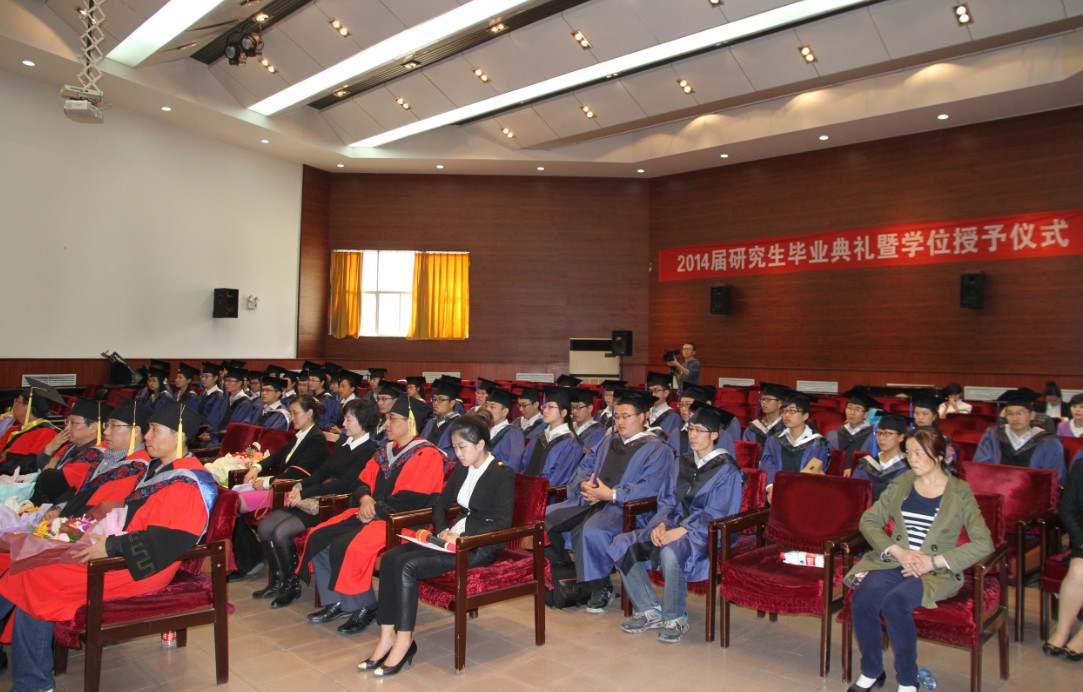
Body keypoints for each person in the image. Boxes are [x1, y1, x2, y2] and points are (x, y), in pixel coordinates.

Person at [0, 400, 218, 692]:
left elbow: (170, 540)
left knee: (35, 575)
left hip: (141, 567)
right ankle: (33, 680)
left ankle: (34, 684)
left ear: (178, 436)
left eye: (154, 430)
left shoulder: (188, 480)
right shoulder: (162, 468)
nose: (147, 436)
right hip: (124, 553)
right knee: (28, 565)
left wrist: (112, 547)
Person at [362, 415, 515, 676]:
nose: (457, 454)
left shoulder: (501, 474)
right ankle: (386, 637)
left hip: (476, 547)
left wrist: (463, 538)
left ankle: (404, 641)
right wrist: (443, 528)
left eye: (462, 447)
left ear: (480, 444)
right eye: (454, 447)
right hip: (451, 538)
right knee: (390, 558)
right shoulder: (463, 468)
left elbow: (503, 524)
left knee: (407, 566)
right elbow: (440, 503)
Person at [844, 427, 993, 692]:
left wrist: (933, 562)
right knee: (863, 599)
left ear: (939, 456)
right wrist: (896, 551)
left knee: (895, 603)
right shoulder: (903, 483)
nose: (912, 459)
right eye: (909, 453)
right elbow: (869, 520)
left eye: (919, 453)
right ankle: (872, 670)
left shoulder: (959, 492)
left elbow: (984, 543)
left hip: (936, 570)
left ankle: (907, 679)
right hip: (897, 560)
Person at [300, 395, 444, 635]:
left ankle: (366, 607)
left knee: (348, 545)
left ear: (410, 422)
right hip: (371, 513)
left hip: (401, 522)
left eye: (392, 419)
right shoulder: (385, 451)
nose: (386, 424)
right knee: (319, 536)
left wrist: (374, 510)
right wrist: (365, 498)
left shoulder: (426, 454)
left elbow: (412, 499)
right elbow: (360, 481)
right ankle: (338, 600)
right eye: (387, 419)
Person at [610, 403, 744, 643]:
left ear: (714, 435)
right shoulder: (681, 462)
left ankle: (675, 617)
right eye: (691, 429)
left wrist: (683, 530)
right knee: (621, 543)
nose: (693, 435)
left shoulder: (727, 470)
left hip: (706, 533)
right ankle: (649, 609)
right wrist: (661, 524)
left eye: (700, 430)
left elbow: (718, 512)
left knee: (671, 552)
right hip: (672, 525)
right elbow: (667, 501)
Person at [545, 389, 673, 612]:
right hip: (591, 500)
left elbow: (650, 486)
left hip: (626, 509)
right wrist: (584, 484)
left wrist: (612, 495)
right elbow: (586, 465)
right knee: (546, 518)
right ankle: (569, 576)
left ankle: (600, 586)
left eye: (626, 416)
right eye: (617, 416)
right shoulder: (609, 440)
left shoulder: (658, 449)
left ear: (643, 416)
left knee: (589, 530)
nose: (620, 422)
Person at [251, 398, 377, 605]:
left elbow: (345, 484)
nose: (343, 424)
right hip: (317, 497)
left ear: (363, 422)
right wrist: (301, 486)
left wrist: (306, 492)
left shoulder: (368, 450)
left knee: (281, 531)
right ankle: (279, 580)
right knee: (265, 527)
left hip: (334, 505)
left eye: (349, 420)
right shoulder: (343, 443)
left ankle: (292, 585)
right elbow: (323, 471)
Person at [974, 387, 1065, 483]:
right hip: (996, 487)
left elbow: (1055, 478)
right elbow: (981, 467)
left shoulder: (1048, 442)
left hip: (1033, 491)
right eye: (1010, 413)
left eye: (1020, 413)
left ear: (1032, 415)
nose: (1015, 418)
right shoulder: (993, 436)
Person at [31, 397, 108, 506]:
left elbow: (51, 484)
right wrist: (50, 448)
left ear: (93, 427)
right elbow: (39, 467)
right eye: (67, 421)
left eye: (73, 423)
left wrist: (48, 469)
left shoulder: (96, 454)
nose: (66, 428)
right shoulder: (70, 446)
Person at [1044, 457, 1083, 660]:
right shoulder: (1081, 466)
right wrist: (1079, 539)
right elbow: (1067, 510)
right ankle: (1062, 630)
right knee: (1078, 570)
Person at [760, 391, 830, 498]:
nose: (786, 415)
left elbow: (812, 473)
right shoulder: (774, 440)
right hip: (776, 493)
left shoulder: (818, 443)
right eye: (784, 411)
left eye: (792, 411)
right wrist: (771, 488)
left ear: (805, 416)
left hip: (805, 496)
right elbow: (768, 464)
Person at [513, 387, 584, 489]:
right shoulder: (539, 437)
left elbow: (558, 478)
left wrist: (534, 490)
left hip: (547, 495)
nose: (545, 411)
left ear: (563, 413)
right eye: (544, 407)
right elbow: (522, 464)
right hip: (525, 490)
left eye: (550, 407)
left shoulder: (571, 443)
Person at [0, 381, 61, 475]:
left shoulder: (46, 433)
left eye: (17, 401)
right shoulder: (14, 429)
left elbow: (28, 466)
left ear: (27, 407)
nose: (13, 404)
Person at [849, 413, 910, 501]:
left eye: (887, 434)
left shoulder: (908, 466)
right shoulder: (865, 463)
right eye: (878, 433)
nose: (881, 438)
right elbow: (853, 494)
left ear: (901, 437)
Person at [678, 384, 738, 456]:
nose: (683, 409)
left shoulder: (722, 436)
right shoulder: (676, 434)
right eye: (681, 404)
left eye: (688, 405)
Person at [826, 387, 879, 459]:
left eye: (858, 409)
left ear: (866, 414)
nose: (852, 413)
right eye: (849, 408)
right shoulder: (833, 435)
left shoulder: (874, 436)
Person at [419, 377, 463, 462]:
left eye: (441, 400)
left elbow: (459, 452)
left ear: (452, 403)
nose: (436, 403)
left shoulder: (459, 425)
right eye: (434, 399)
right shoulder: (430, 423)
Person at [485, 387, 525, 465]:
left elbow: (515, 462)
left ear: (505, 412)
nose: (487, 410)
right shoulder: (483, 429)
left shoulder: (514, 433)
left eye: (492, 407)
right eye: (487, 406)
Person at [646, 371, 682, 458]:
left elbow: (669, 443)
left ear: (666, 393)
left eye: (656, 390)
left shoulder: (673, 416)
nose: (653, 394)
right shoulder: (646, 413)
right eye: (651, 390)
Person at [194, 362, 227, 445]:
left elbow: (213, 420)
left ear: (215, 378)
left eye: (206, 376)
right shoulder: (203, 394)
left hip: (208, 437)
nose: (203, 379)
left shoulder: (219, 396)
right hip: (198, 433)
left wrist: (203, 432)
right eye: (202, 376)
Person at [306, 365, 341, 432]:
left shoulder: (328, 400)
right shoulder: (312, 397)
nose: (310, 383)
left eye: (314, 380)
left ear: (322, 382)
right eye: (309, 380)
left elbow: (325, 421)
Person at [570, 388, 606, 452]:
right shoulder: (569, 427)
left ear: (590, 408)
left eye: (578, 407)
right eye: (572, 407)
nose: (574, 411)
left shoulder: (599, 431)